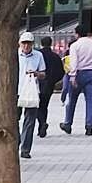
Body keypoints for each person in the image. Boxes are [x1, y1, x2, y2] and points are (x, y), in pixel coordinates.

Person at [61, 23, 92, 136]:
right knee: (91, 100)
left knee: (72, 100)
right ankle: (89, 125)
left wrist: (72, 75)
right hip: (91, 73)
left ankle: (68, 123)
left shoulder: (75, 46)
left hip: (79, 73)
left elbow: (74, 61)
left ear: (77, 34)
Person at [15, 31, 45, 159]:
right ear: (20, 44)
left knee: (30, 121)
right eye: (24, 43)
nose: (26, 46)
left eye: (29, 43)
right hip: (17, 91)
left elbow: (44, 74)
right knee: (14, 119)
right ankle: (15, 143)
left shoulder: (38, 55)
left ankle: (25, 149)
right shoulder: (15, 55)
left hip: (32, 91)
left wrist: (36, 73)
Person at [37, 36, 64, 138]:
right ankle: (42, 125)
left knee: (36, 106)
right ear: (51, 44)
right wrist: (53, 81)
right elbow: (61, 72)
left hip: (37, 83)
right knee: (44, 105)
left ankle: (42, 123)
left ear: (41, 44)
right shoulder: (55, 57)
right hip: (49, 85)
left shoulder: (37, 55)